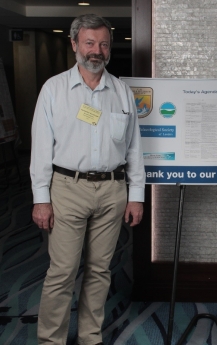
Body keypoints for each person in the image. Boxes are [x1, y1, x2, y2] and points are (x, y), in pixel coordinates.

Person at [30, 14, 145, 345]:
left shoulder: (122, 92)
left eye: (103, 44)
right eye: (90, 43)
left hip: (112, 191)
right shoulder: (54, 90)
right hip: (67, 189)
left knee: (99, 270)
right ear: (74, 44)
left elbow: (135, 148)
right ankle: (51, 340)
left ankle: (89, 337)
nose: (97, 51)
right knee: (62, 272)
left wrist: (135, 195)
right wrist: (41, 199)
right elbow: (40, 149)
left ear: (110, 48)